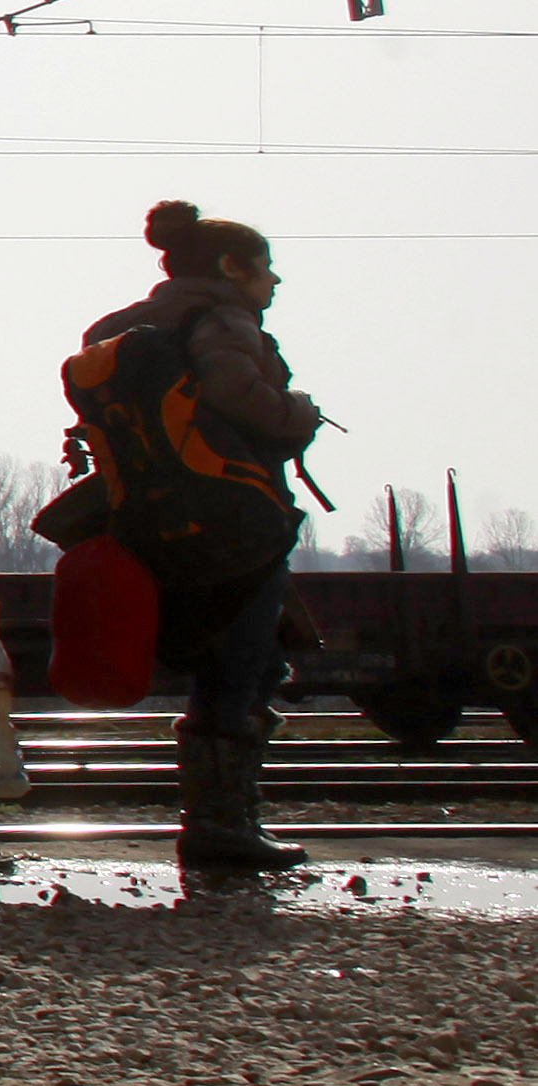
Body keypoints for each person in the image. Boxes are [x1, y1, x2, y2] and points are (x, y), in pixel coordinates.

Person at [84, 200, 326, 873]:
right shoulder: (223, 319)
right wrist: (299, 413)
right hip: (234, 524)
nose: (274, 281)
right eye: (266, 268)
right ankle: (224, 825)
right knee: (244, 665)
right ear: (231, 268)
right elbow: (236, 392)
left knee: (225, 662)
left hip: (151, 523)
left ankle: (218, 822)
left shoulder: (122, 327)